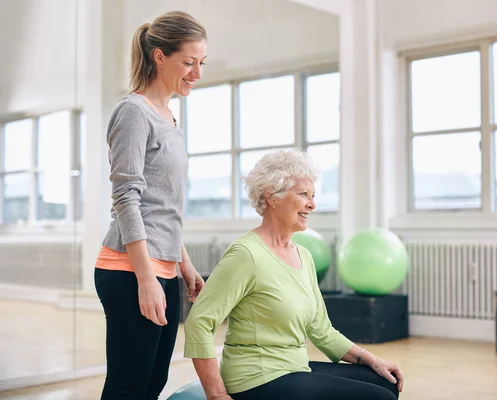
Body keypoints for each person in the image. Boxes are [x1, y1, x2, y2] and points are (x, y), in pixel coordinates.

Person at [184, 148, 404, 400]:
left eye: (313, 195)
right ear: (272, 196)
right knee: (379, 398)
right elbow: (199, 322)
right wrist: (217, 395)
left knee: (386, 382)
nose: (312, 203)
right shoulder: (246, 254)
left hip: (294, 367)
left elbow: (321, 330)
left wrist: (372, 360)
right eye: (303, 194)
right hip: (256, 377)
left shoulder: (304, 256)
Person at [94, 11, 207, 400]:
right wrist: (145, 279)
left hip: (164, 268)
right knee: (129, 386)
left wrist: (183, 263)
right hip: (129, 270)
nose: (197, 72)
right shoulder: (133, 112)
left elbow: (164, 205)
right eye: (188, 62)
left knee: (152, 382)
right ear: (160, 56)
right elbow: (127, 198)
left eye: (201, 63)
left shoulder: (169, 118)